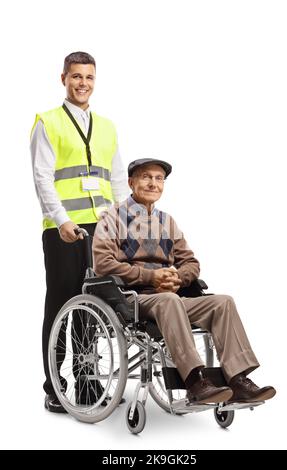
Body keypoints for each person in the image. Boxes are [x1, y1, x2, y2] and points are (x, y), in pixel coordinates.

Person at [92, 158, 276, 404]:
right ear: (131, 182)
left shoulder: (167, 222)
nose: (153, 183)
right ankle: (194, 382)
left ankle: (238, 380)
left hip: (171, 297)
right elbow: (102, 264)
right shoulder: (112, 219)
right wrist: (151, 276)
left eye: (159, 179)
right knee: (169, 301)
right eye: (146, 177)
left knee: (223, 302)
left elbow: (191, 262)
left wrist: (178, 278)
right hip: (133, 299)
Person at [31, 52, 129, 412]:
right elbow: (43, 177)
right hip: (64, 230)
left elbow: (117, 179)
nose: (82, 83)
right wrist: (61, 220)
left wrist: (124, 221)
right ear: (63, 79)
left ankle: (89, 389)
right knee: (62, 306)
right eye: (76, 77)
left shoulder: (107, 126)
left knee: (95, 308)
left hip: (102, 229)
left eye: (88, 77)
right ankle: (55, 387)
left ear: (95, 80)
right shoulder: (48, 122)